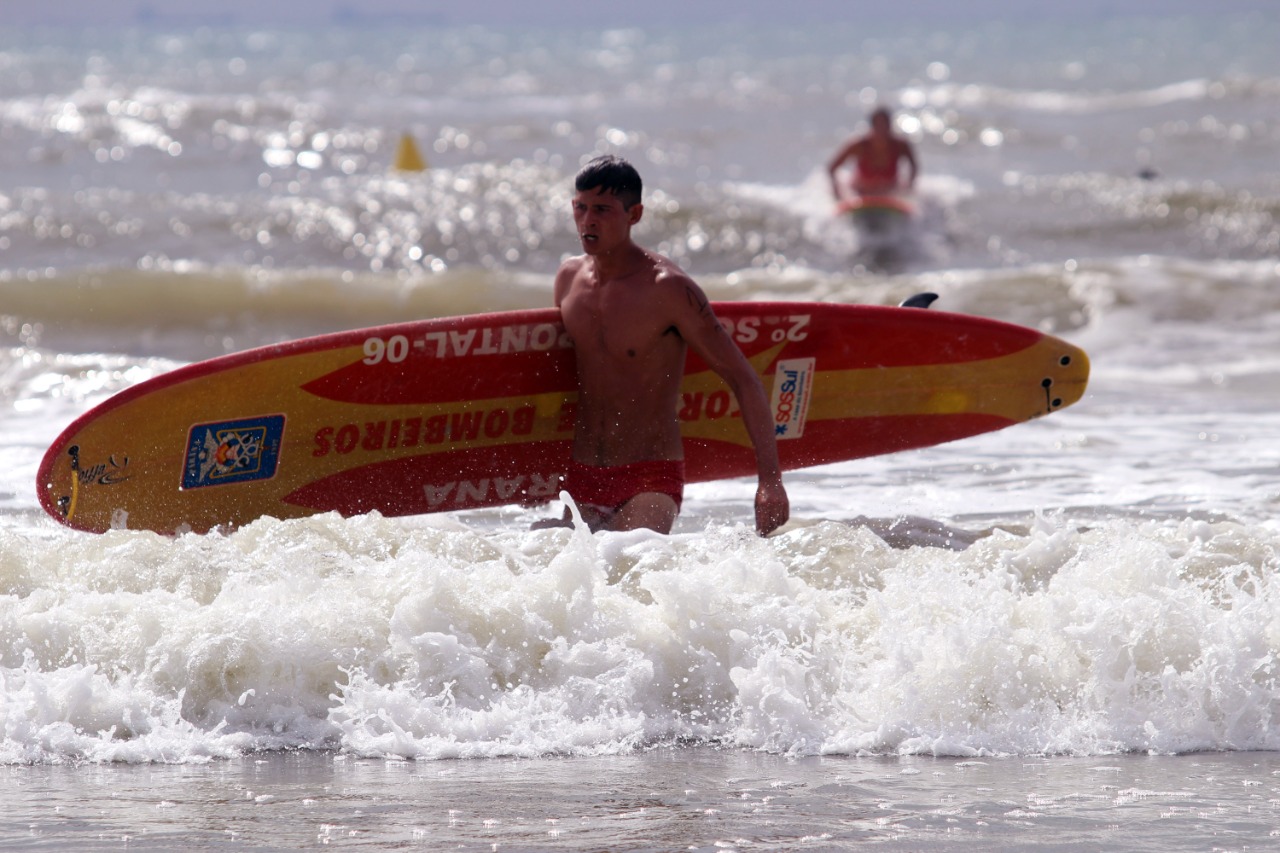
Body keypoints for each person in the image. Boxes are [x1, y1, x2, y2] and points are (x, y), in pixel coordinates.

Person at [546, 154, 789, 536]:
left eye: (602, 210)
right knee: (552, 565)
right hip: (581, 477)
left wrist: (770, 481)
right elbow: (559, 382)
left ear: (635, 214)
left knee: (630, 564)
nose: (587, 220)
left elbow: (743, 378)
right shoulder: (567, 279)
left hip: (648, 478)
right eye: (580, 207)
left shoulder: (668, 289)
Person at [827, 106, 918, 199]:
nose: (882, 130)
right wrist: (836, 191)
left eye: (885, 125)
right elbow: (832, 168)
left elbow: (914, 166)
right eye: (878, 125)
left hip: (890, 192)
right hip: (861, 192)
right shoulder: (859, 145)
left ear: (890, 126)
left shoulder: (900, 145)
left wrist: (909, 187)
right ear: (872, 126)